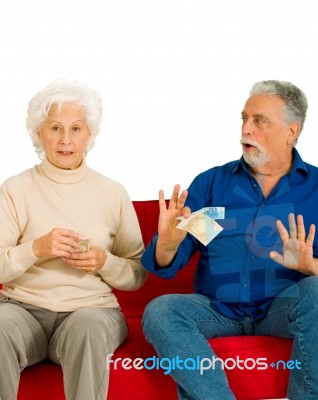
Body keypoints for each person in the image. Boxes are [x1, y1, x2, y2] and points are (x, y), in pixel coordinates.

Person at [141, 80, 318, 400]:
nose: (246, 129)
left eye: (259, 121)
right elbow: (172, 260)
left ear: (291, 131)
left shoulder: (316, 188)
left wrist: (311, 265)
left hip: (281, 308)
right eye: (244, 118)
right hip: (217, 308)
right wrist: (167, 245)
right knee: (161, 311)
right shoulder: (213, 183)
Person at [0, 79, 147, 400]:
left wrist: (104, 262)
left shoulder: (112, 193)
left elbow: (138, 274)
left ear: (89, 135)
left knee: (89, 328)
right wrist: (36, 248)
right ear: (39, 133)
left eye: (76, 129)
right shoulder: (14, 189)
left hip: (91, 310)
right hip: (22, 311)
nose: (66, 140)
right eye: (55, 128)